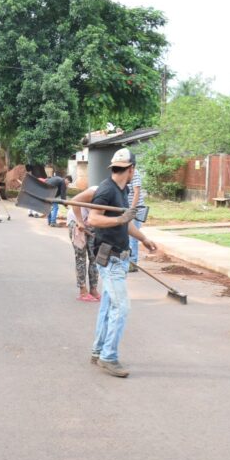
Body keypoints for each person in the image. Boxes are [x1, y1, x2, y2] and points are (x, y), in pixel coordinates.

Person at [72, 148, 157, 378]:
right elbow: (95, 218)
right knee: (122, 307)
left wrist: (143, 238)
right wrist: (120, 218)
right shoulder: (107, 190)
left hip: (119, 257)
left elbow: (124, 223)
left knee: (109, 307)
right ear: (131, 169)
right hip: (109, 259)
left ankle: (98, 351)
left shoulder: (123, 189)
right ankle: (108, 357)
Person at [66, 202, 99, 302]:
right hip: (76, 222)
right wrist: (80, 221)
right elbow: (75, 202)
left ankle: (94, 290)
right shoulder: (94, 191)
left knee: (95, 257)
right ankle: (83, 291)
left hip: (93, 224)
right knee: (81, 257)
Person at [127, 163, 146, 273]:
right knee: (127, 237)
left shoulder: (135, 173)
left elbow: (137, 192)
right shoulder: (125, 174)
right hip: (127, 210)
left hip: (135, 210)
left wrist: (132, 210)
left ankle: (133, 263)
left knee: (133, 237)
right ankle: (128, 261)